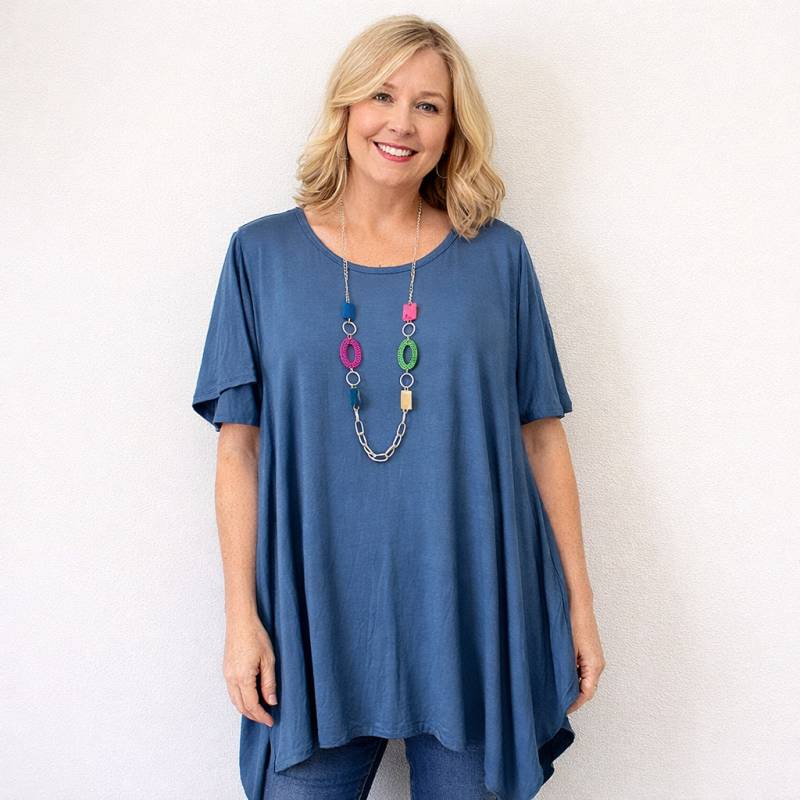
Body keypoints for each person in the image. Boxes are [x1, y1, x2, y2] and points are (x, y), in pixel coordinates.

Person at [191, 14, 605, 800]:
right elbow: (237, 449)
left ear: (453, 129)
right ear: (346, 105)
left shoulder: (498, 257)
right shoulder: (260, 256)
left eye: (429, 105)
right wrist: (240, 618)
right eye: (382, 95)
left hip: (473, 616)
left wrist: (580, 609)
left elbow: (542, 439)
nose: (401, 123)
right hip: (312, 627)